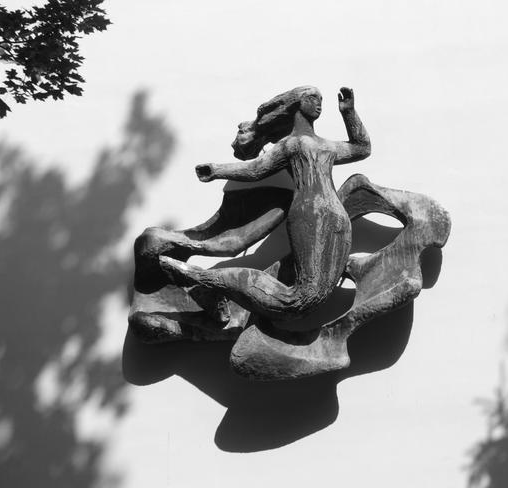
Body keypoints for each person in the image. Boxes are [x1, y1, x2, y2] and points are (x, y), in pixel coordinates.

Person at [159, 86, 371, 320]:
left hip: (338, 219)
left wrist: (348, 112)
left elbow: (362, 148)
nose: (319, 103)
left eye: (321, 99)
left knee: (317, 292)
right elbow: (255, 169)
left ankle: (209, 282)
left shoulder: (327, 146)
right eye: (312, 98)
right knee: (303, 298)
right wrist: (217, 170)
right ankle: (203, 279)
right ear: (296, 104)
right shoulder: (290, 145)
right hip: (309, 216)